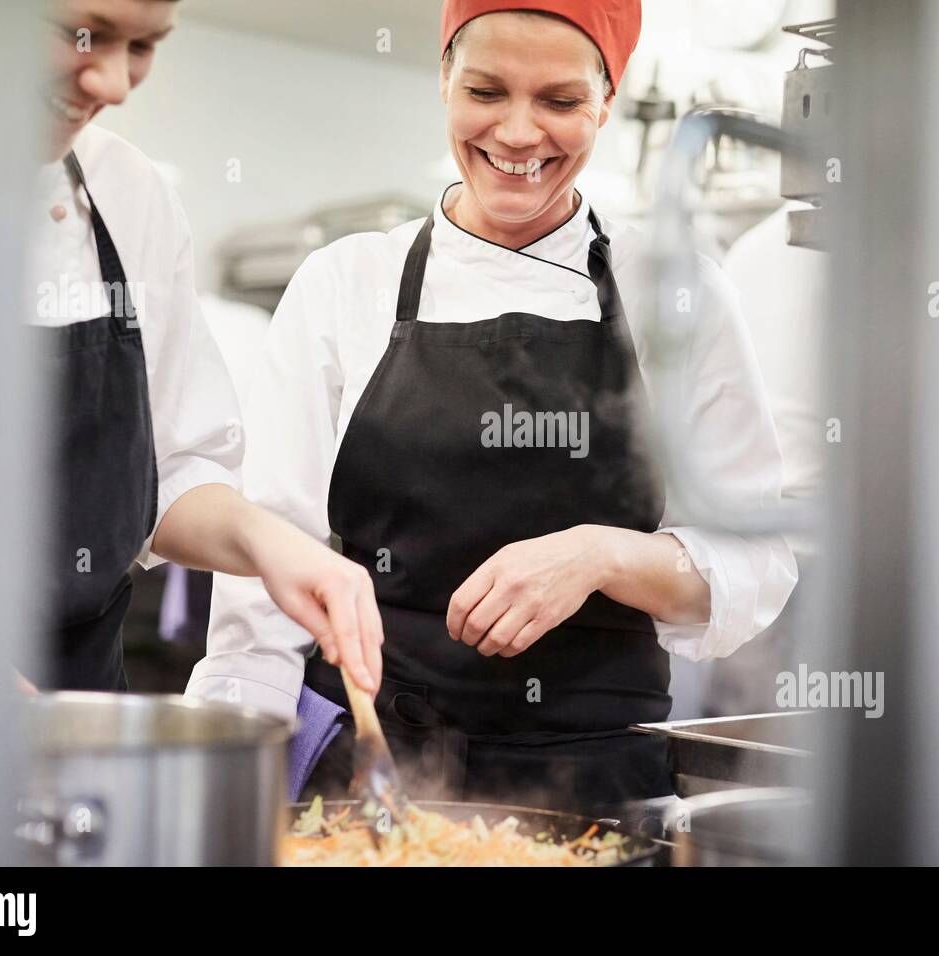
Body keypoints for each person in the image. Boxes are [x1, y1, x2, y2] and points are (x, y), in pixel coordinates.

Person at [188, 0, 798, 814]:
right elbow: (272, 558)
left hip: (595, 786)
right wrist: (234, 770)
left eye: (560, 101)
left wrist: (601, 556)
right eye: (486, 91)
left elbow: (756, 562)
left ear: (607, 101)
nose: (517, 133)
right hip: (374, 773)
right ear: (443, 81)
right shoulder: (347, 283)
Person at [26, 0, 382, 694]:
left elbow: (173, 467)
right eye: (85, 34)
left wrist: (269, 544)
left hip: (81, 714)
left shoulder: (126, 195)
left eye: (143, 46)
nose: (115, 84)